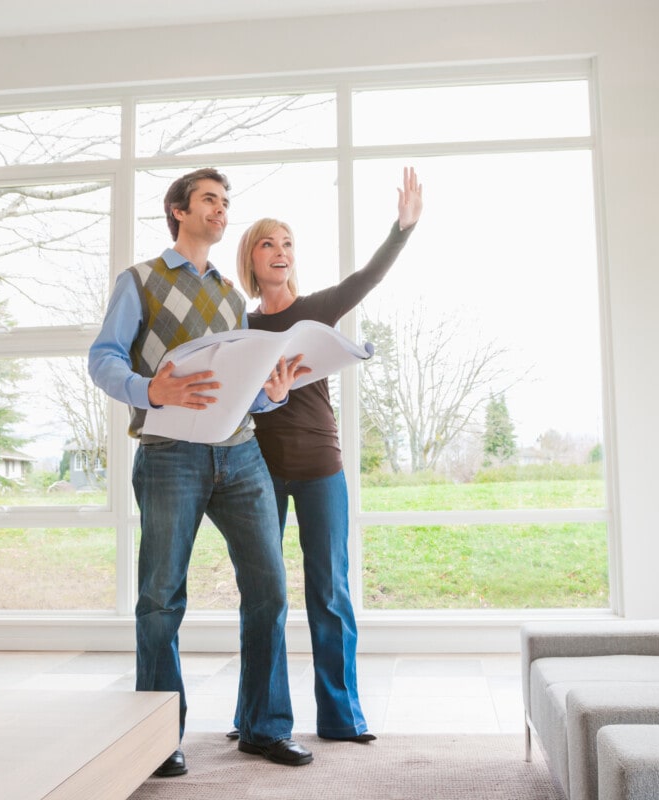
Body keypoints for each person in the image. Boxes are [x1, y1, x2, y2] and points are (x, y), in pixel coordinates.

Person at [88, 167, 315, 776]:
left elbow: (237, 385)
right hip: (169, 454)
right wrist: (149, 389)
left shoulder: (231, 296)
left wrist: (271, 393)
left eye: (225, 202)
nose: (221, 210)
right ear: (179, 211)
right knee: (161, 598)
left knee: (268, 589)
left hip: (241, 452)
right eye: (210, 200)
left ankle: (264, 727)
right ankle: (158, 736)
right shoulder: (140, 280)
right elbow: (102, 358)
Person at [232, 166, 423, 742]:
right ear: (252, 258)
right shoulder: (238, 327)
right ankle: (254, 717)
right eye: (268, 242)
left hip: (320, 469)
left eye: (288, 242)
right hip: (258, 473)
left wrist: (402, 228)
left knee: (329, 593)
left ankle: (342, 718)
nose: (280, 250)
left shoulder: (316, 309)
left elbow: (367, 277)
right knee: (262, 597)